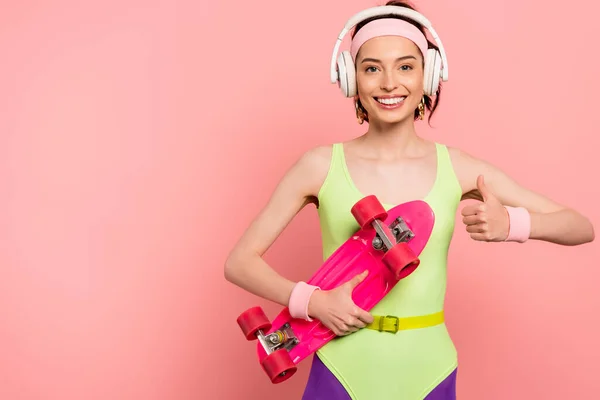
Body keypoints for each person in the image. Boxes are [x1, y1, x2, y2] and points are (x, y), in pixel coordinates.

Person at [224, 1, 595, 399]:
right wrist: (313, 302)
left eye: (405, 66)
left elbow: (580, 226)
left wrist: (514, 225)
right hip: (341, 370)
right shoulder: (319, 166)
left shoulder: (457, 167)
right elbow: (239, 262)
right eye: (371, 68)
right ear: (350, 79)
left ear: (428, 76)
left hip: (429, 371)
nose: (388, 83)